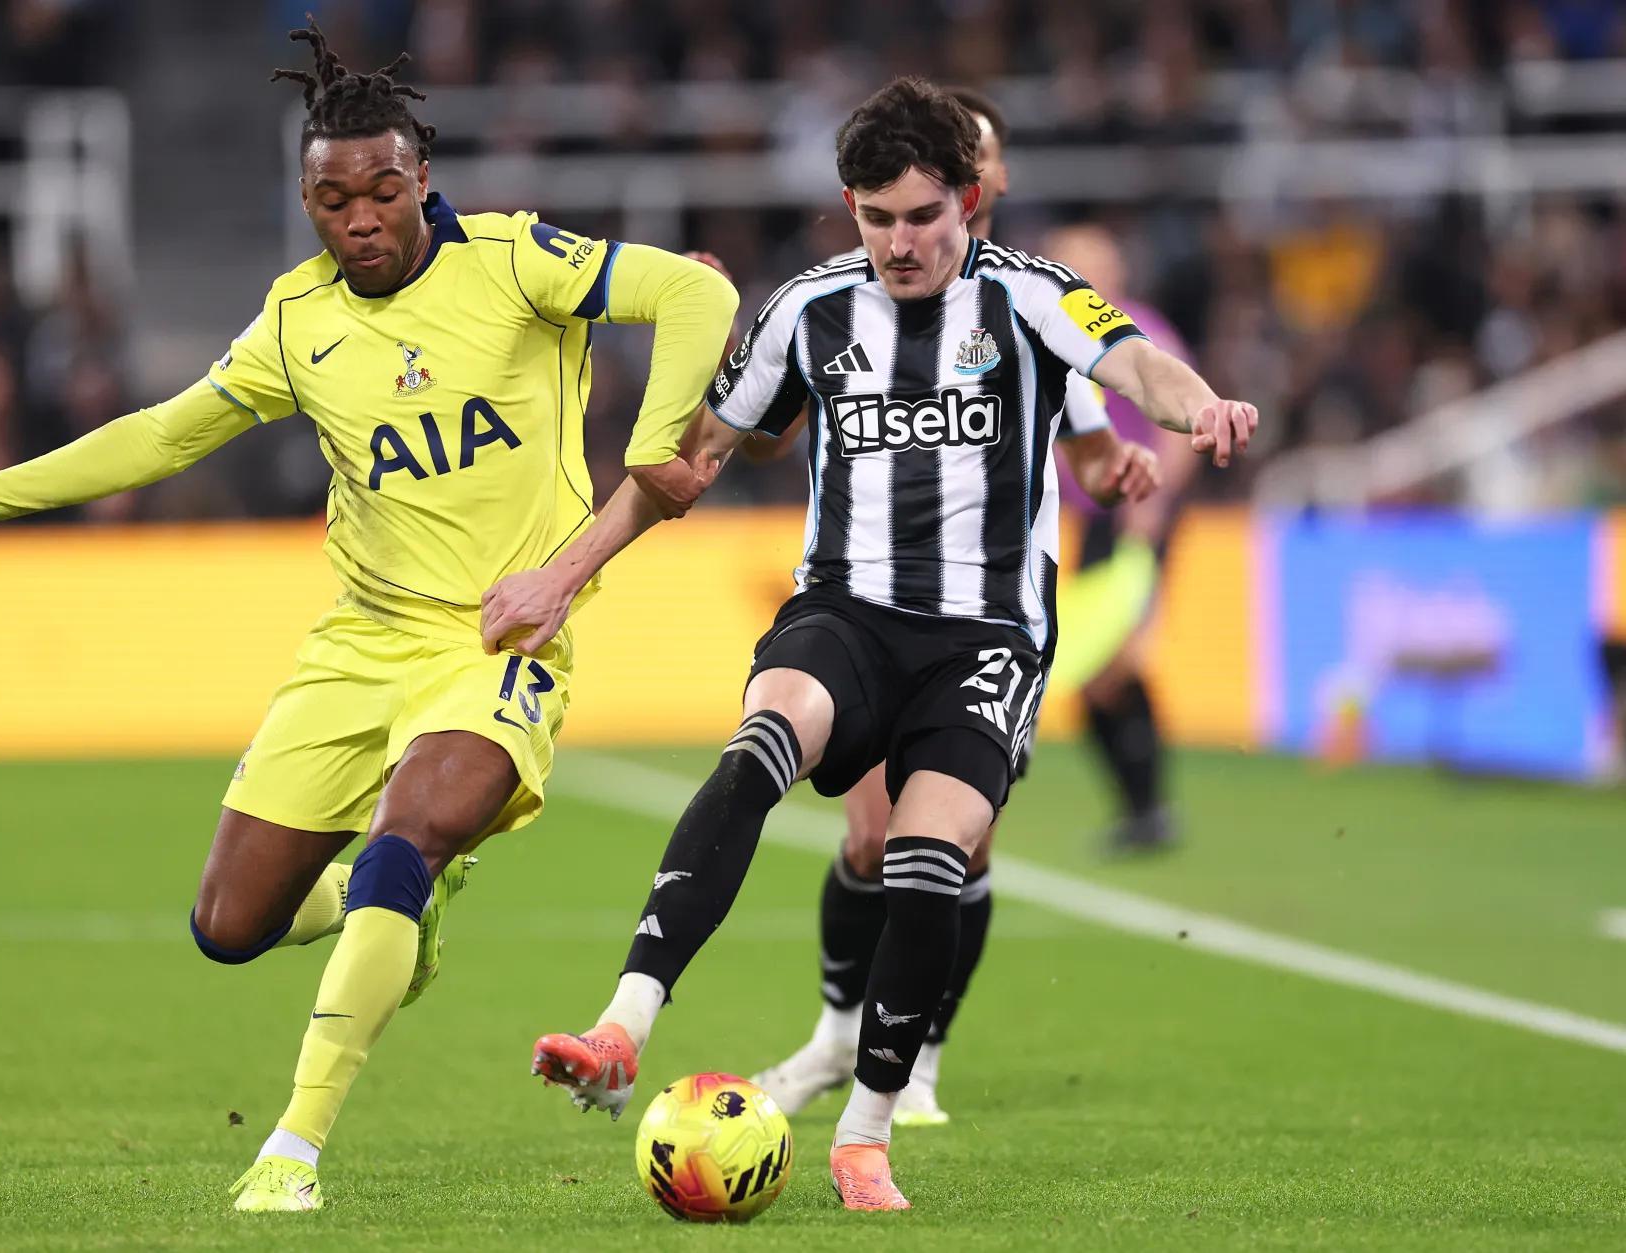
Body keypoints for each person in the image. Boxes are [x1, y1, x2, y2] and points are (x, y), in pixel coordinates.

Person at [0, 21, 738, 1214]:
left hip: (497, 641)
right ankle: (404, 911)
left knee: (401, 843)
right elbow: (162, 434)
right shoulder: (295, 321)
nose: (360, 217)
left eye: (382, 190)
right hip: (360, 641)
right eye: (333, 199)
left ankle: (292, 1147)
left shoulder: (515, 260)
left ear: (420, 176)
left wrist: (648, 448)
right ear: (306, 200)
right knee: (229, 924)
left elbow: (696, 290)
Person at [520, 76, 1256, 1211]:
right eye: (875, 218)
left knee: (928, 853)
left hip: (985, 636)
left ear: (970, 200)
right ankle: (622, 1025)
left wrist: (1197, 404)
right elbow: (705, 454)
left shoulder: (1033, 296)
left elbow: (1134, 366)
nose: (899, 243)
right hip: (847, 611)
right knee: (760, 743)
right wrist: (565, 572)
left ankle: (865, 1131)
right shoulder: (806, 308)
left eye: (921, 216)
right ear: (847, 208)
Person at [745, 87, 1161, 1129]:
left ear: (986, 180)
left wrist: (1114, 468)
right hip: (872, 608)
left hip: (989, 619)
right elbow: (780, 424)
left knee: (952, 848)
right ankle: (837, 1033)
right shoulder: (857, 301)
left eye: (971, 157)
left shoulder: (1037, 308)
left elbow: (1091, 440)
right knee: (868, 838)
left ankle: (917, 1052)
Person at [1043, 222, 1199, 855]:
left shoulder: (1140, 331)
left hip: (1138, 514)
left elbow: (1182, 421)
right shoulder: (1051, 336)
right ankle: (1143, 810)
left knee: (1114, 664)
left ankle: (1150, 808)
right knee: (1090, 670)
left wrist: (1155, 504)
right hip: (1094, 520)